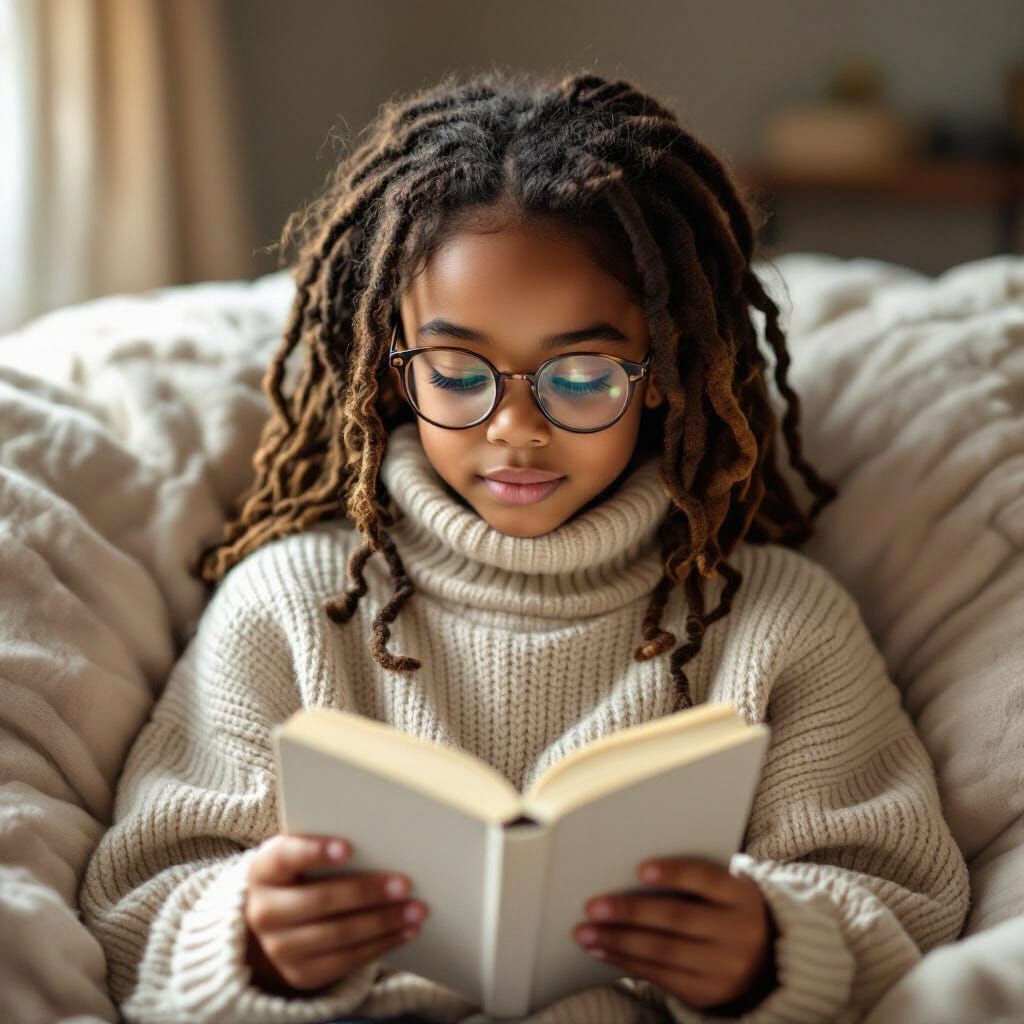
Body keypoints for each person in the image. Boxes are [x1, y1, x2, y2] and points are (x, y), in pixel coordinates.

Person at [79, 66, 970, 1024]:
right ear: (389, 369)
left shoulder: (777, 621)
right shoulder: (287, 604)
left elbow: (906, 906)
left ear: (665, 372)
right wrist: (250, 941)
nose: (515, 428)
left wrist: (770, 951)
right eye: (457, 372)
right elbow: (137, 909)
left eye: (582, 374)